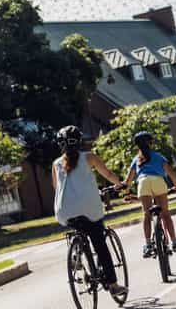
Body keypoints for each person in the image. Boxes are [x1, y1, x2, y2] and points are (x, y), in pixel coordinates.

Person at [52, 125, 127, 296]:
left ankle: (77, 253)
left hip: (64, 210)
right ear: (79, 142)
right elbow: (107, 174)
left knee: (80, 228)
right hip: (88, 208)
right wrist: (119, 184)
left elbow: (57, 187)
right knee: (100, 244)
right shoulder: (89, 157)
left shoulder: (56, 164)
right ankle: (113, 285)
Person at [123, 131, 176, 258]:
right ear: (150, 143)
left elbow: (128, 180)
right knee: (165, 214)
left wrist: (127, 192)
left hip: (143, 183)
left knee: (147, 214)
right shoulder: (158, 156)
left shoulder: (136, 159)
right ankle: (174, 241)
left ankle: (148, 244)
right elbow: (171, 172)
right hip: (158, 182)